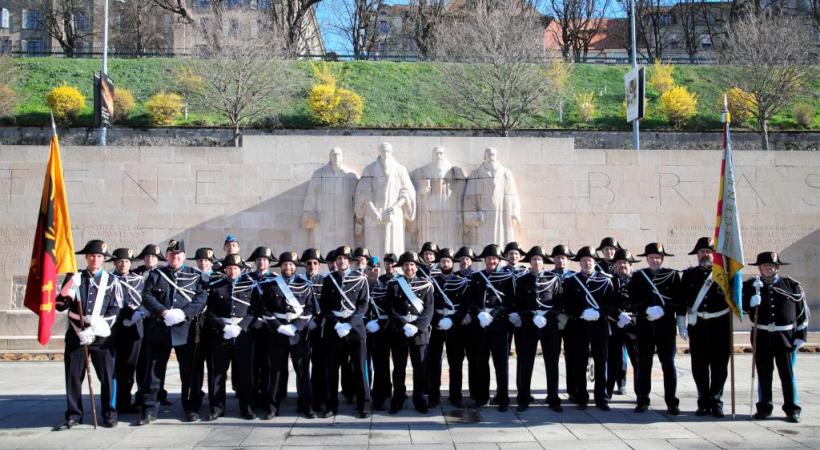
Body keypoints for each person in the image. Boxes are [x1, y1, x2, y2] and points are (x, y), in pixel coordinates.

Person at [53, 240, 122, 430]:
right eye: (92, 255)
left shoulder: (112, 281)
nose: (95, 259)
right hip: (76, 334)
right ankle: (74, 414)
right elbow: (60, 306)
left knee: (107, 377)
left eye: (99, 256)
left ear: (104, 260)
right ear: (86, 257)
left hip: (101, 337)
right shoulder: (75, 278)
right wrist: (66, 289)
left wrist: (94, 329)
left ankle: (109, 413)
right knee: (73, 376)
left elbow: (115, 310)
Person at [138, 240, 208, 425]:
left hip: (185, 330)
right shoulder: (156, 275)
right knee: (153, 372)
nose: (174, 258)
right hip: (159, 329)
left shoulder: (195, 275)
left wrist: (184, 314)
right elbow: (146, 296)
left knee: (189, 372)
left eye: (178, 255)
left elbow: (201, 297)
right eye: (171, 255)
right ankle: (150, 410)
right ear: (166, 256)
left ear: (183, 257)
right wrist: (163, 312)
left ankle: (190, 408)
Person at [743, 251, 809, 423]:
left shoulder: (791, 285)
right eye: (765, 265)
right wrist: (750, 303)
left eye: (772, 265)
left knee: (787, 375)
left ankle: (792, 409)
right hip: (762, 336)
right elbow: (741, 308)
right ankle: (764, 407)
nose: (769, 268)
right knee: (764, 374)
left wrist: (801, 335)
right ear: (759, 268)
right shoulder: (751, 285)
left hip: (785, 337)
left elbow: (801, 312)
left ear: (777, 267)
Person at [254, 251, 316, 418]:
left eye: (290, 264)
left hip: (298, 334)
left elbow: (310, 308)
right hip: (277, 333)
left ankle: (306, 406)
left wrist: (296, 326)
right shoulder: (271, 285)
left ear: (295, 267)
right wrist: (278, 327)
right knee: (276, 371)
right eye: (285, 264)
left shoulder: (305, 284)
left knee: (303, 372)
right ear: (280, 266)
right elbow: (264, 309)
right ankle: (273, 407)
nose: (288, 267)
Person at [630, 242, 684, 415]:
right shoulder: (639, 276)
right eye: (652, 257)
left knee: (668, 365)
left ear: (662, 259)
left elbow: (680, 300)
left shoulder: (673, 276)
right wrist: (645, 309)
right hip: (645, 327)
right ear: (647, 259)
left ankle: (671, 402)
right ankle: (642, 400)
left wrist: (665, 310)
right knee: (644, 366)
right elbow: (633, 298)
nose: (655, 260)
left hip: (665, 327)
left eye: (658, 257)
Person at [563, 246, 619, 411]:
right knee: (579, 364)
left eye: (590, 260)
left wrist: (600, 314)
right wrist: (581, 313)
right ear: (579, 263)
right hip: (579, 327)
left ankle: (600, 397)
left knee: (601, 364)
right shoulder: (571, 281)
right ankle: (582, 397)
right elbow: (566, 304)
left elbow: (611, 304)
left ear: (595, 262)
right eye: (584, 261)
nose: (587, 263)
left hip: (599, 328)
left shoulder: (605, 280)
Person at [681, 237, 731, 418]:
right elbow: (682, 300)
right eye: (702, 252)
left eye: (709, 252)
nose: (705, 255)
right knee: (699, 366)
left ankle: (716, 402)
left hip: (720, 326)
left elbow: (735, 299)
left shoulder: (725, 275)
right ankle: (703, 401)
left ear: (714, 255)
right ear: (697, 255)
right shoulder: (689, 275)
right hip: (698, 326)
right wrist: (681, 322)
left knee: (720, 366)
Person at [319, 246, 371, 418]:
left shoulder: (361, 279)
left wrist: (349, 324)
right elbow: (324, 306)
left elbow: (363, 305)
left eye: (345, 258)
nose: (341, 261)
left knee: (359, 368)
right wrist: (336, 324)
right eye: (339, 259)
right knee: (332, 369)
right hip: (334, 330)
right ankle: (331, 405)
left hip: (355, 329)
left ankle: (362, 404)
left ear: (350, 261)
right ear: (335, 262)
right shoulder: (329, 280)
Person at [465, 244, 516, 411]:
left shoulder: (507, 277)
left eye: (494, 258)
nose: (492, 261)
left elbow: (509, 302)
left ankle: (503, 398)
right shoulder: (477, 277)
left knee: (501, 364)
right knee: (481, 363)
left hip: (500, 327)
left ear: (498, 260)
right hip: (480, 326)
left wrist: (492, 315)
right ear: (485, 260)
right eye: (488, 258)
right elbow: (470, 301)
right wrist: (479, 313)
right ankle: (482, 397)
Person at [513, 245, 563, 412]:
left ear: (544, 262)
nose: (537, 262)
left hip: (549, 326)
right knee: (525, 362)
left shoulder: (553, 279)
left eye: (540, 259)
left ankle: (553, 397)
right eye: (534, 259)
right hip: (528, 326)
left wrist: (548, 317)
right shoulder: (522, 280)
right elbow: (518, 305)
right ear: (530, 262)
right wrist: (531, 316)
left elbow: (559, 303)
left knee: (552, 362)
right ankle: (523, 398)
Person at [205, 254, 256, 420]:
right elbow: (210, 312)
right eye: (229, 268)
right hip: (222, 334)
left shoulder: (249, 286)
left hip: (242, 335)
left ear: (240, 269)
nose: (232, 271)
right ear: (225, 269)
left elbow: (254, 311)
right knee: (218, 372)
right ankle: (217, 408)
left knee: (244, 372)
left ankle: (246, 407)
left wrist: (241, 327)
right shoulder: (216, 286)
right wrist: (224, 326)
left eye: (235, 268)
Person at [386, 251, 434, 414]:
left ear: (416, 267)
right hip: (400, 332)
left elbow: (429, 309)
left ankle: (419, 399)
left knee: (419, 368)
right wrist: (403, 324)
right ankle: (398, 398)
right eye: (406, 265)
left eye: (412, 264)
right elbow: (390, 309)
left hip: (419, 332)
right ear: (402, 267)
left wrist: (417, 326)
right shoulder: (394, 285)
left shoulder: (426, 285)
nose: (409, 267)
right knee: (399, 368)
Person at [426, 248, 469, 409]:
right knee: (434, 362)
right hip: (437, 325)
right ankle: (433, 396)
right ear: (439, 263)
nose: (445, 264)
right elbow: (428, 304)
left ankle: (455, 396)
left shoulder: (461, 282)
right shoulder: (432, 281)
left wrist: (453, 320)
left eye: (448, 261)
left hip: (454, 326)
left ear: (453, 263)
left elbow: (465, 306)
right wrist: (436, 320)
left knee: (456, 362)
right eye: (443, 261)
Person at [108, 247, 145, 415]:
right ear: (115, 263)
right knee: (116, 367)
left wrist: (139, 314)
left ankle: (128, 401)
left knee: (131, 366)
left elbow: (146, 299)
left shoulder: (138, 279)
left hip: (135, 328)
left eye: (127, 261)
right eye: (120, 261)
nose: (124, 264)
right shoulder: (109, 280)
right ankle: (116, 402)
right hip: (115, 328)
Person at [607, 248, 640, 399]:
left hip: (633, 327)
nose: (622, 266)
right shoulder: (609, 281)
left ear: (631, 265)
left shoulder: (638, 281)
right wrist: (618, 314)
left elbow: (642, 301)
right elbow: (605, 302)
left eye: (625, 263)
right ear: (615, 265)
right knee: (613, 360)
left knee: (637, 361)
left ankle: (640, 394)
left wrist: (632, 316)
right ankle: (608, 391)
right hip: (615, 325)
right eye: (619, 263)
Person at [366, 253, 397, 410]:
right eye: (371, 268)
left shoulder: (394, 283)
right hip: (374, 329)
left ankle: (390, 395)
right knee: (377, 364)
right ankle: (376, 395)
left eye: (392, 263)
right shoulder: (371, 283)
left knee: (391, 365)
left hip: (390, 328)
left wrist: (380, 322)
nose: (373, 271)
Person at [302, 248, 329, 415]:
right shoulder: (298, 281)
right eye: (309, 263)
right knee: (303, 366)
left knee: (320, 366)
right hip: (303, 328)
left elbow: (328, 304)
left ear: (319, 265)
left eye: (315, 263)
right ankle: (305, 400)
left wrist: (319, 320)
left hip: (320, 329)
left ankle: (321, 400)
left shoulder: (325, 281)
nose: (312, 266)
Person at [550, 244, 577, 403]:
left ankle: (572, 390)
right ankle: (552, 392)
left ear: (567, 260)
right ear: (553, 259)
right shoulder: (548, 275)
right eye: (558, 257)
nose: (560, 260)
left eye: (563, 258)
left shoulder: (574, 277)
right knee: (552, 356)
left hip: (569, 320)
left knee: (572, 356)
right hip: (553, 319)